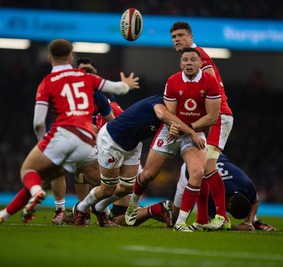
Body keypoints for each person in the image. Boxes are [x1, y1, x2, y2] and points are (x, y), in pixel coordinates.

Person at [0, 38, 139, 228]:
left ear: (49, 57)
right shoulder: (87, 78)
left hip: (62, 136)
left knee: (30, 172)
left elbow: (38, 123)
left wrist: (44, 144)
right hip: (86, 141)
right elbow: (118, 88)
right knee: (106, 185)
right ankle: (1, 216)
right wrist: (126, 84)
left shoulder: (47, 82)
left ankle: (38, 193)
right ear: (71, 57)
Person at [125, 47, 222, 232]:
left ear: (200, 63)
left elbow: (212, 117)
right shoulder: (172, 81)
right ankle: (132, 206)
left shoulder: (210, 82)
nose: (189, 63)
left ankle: (180, 223)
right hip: (170, 131)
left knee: (197, 173)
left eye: (193, 59)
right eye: (185, 60)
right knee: (147, 175)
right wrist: (176, 126)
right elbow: (169, 114)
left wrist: (190, 130)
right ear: (180, 63)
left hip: (193, 132)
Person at [73, 93, 205, 227]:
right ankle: (81, 209)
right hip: (111, 140)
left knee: (128, 187)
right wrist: (192, 132)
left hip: (133, 145)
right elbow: (162, 115)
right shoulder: (159, 102)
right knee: (108, 189)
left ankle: (99, 208)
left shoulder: (176, 116)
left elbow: (171, 125)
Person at [170, 21, 234, 229]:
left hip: (218, 116)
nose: (177, 39)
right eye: (174, 37)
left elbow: (210, 85)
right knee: (199, 169)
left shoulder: (199, 56)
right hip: (208, 120)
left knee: (207, 167)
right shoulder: (192, 59)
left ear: (190, 37)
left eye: (181, 35)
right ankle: (202, 219)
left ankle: (222, 217)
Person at [50, 57, 117, 225]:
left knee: (102, 182)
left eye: (90, 72)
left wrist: (100, 134)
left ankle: (97, 210)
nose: (86, 75)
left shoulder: (102, 95)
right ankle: (61, 210)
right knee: (57, 171)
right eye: (82, 71)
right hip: (66, 138)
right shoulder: (66, 91)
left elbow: (112, 121)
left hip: (91, 143)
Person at [174, 153, 276, 231]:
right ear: (228, 205)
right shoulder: (213, 196)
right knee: (175, 217)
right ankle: (165, 210)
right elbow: (208, 222)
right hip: (191, 167)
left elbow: (254, 200)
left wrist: (248, 222)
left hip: (214, 156)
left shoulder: (247, 185)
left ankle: (253, 221)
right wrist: (236, 228)